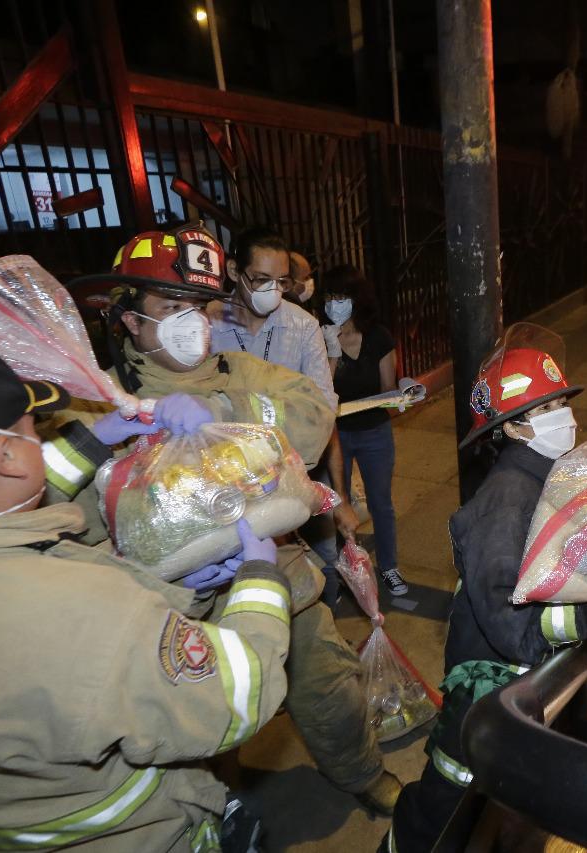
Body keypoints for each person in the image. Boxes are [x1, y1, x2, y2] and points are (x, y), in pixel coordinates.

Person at [0, 337, 303, 852]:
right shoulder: (92, 613)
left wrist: (97, 439)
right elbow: (239, 695)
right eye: (29, 431)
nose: (38, 440)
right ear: (8, 456)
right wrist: (262, 581)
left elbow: (4, 544)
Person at [47, 224, 403, 816]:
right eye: (172, 308)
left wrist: (224, 412)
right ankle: (227, 809)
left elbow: (315, 413)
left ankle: (363, 774)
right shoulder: (97, 404)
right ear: (130, 320)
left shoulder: (236, 372)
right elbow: (67, 526)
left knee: (329, 689)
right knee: (201, 733)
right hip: (169, 605)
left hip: (275, 571)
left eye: (201, 308)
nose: (194, 324)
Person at [380, 324, 587, 852]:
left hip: (523, 687)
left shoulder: (549, 478)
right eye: (545, 410)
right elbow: (513, 631)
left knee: (506, 807)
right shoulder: (505, 504)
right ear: (511, 429)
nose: (564, 417)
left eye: (560, 402)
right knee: (447, 800)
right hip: (487, 690)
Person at [209, 226, 359, 602]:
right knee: (247, 578)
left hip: (299, 476)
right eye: (260, 279)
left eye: (280, 281)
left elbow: (324, 415)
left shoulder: (301, 326)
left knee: (324, 570)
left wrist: (340, 497)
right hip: (231, 484)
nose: (271, 290)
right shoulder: (207, 327)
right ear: (232, 271)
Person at [318, 265, 408, 595]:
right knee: (337, 503)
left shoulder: (378, 337)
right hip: (334, 438)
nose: (334, 303)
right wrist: (330, 353)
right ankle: (348, 568)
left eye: (341, 296)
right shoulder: (320, 338)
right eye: (329, 296)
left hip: (373, 431)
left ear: (357, 299)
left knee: (380, 503)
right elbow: (318, 392)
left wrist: (402, 396)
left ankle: (389, 566)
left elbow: (387, 388)